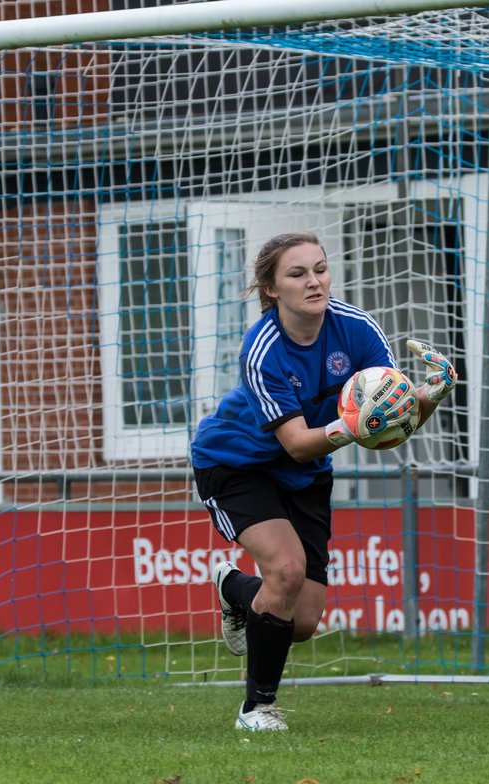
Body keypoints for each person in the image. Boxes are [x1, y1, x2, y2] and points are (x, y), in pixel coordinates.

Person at [189, 231, 458, 731]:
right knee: (286, 572)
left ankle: (234, 588)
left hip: (306, 474)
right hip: (235, 463)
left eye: (320, 268)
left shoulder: (357, 329)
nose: (314, 282)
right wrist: (355, 425)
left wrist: (430, 395)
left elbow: (389, 423)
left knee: (303, 623)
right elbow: (296, 441)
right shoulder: (262, 348)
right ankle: (257, 709)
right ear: (271, 288)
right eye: (297, 274)